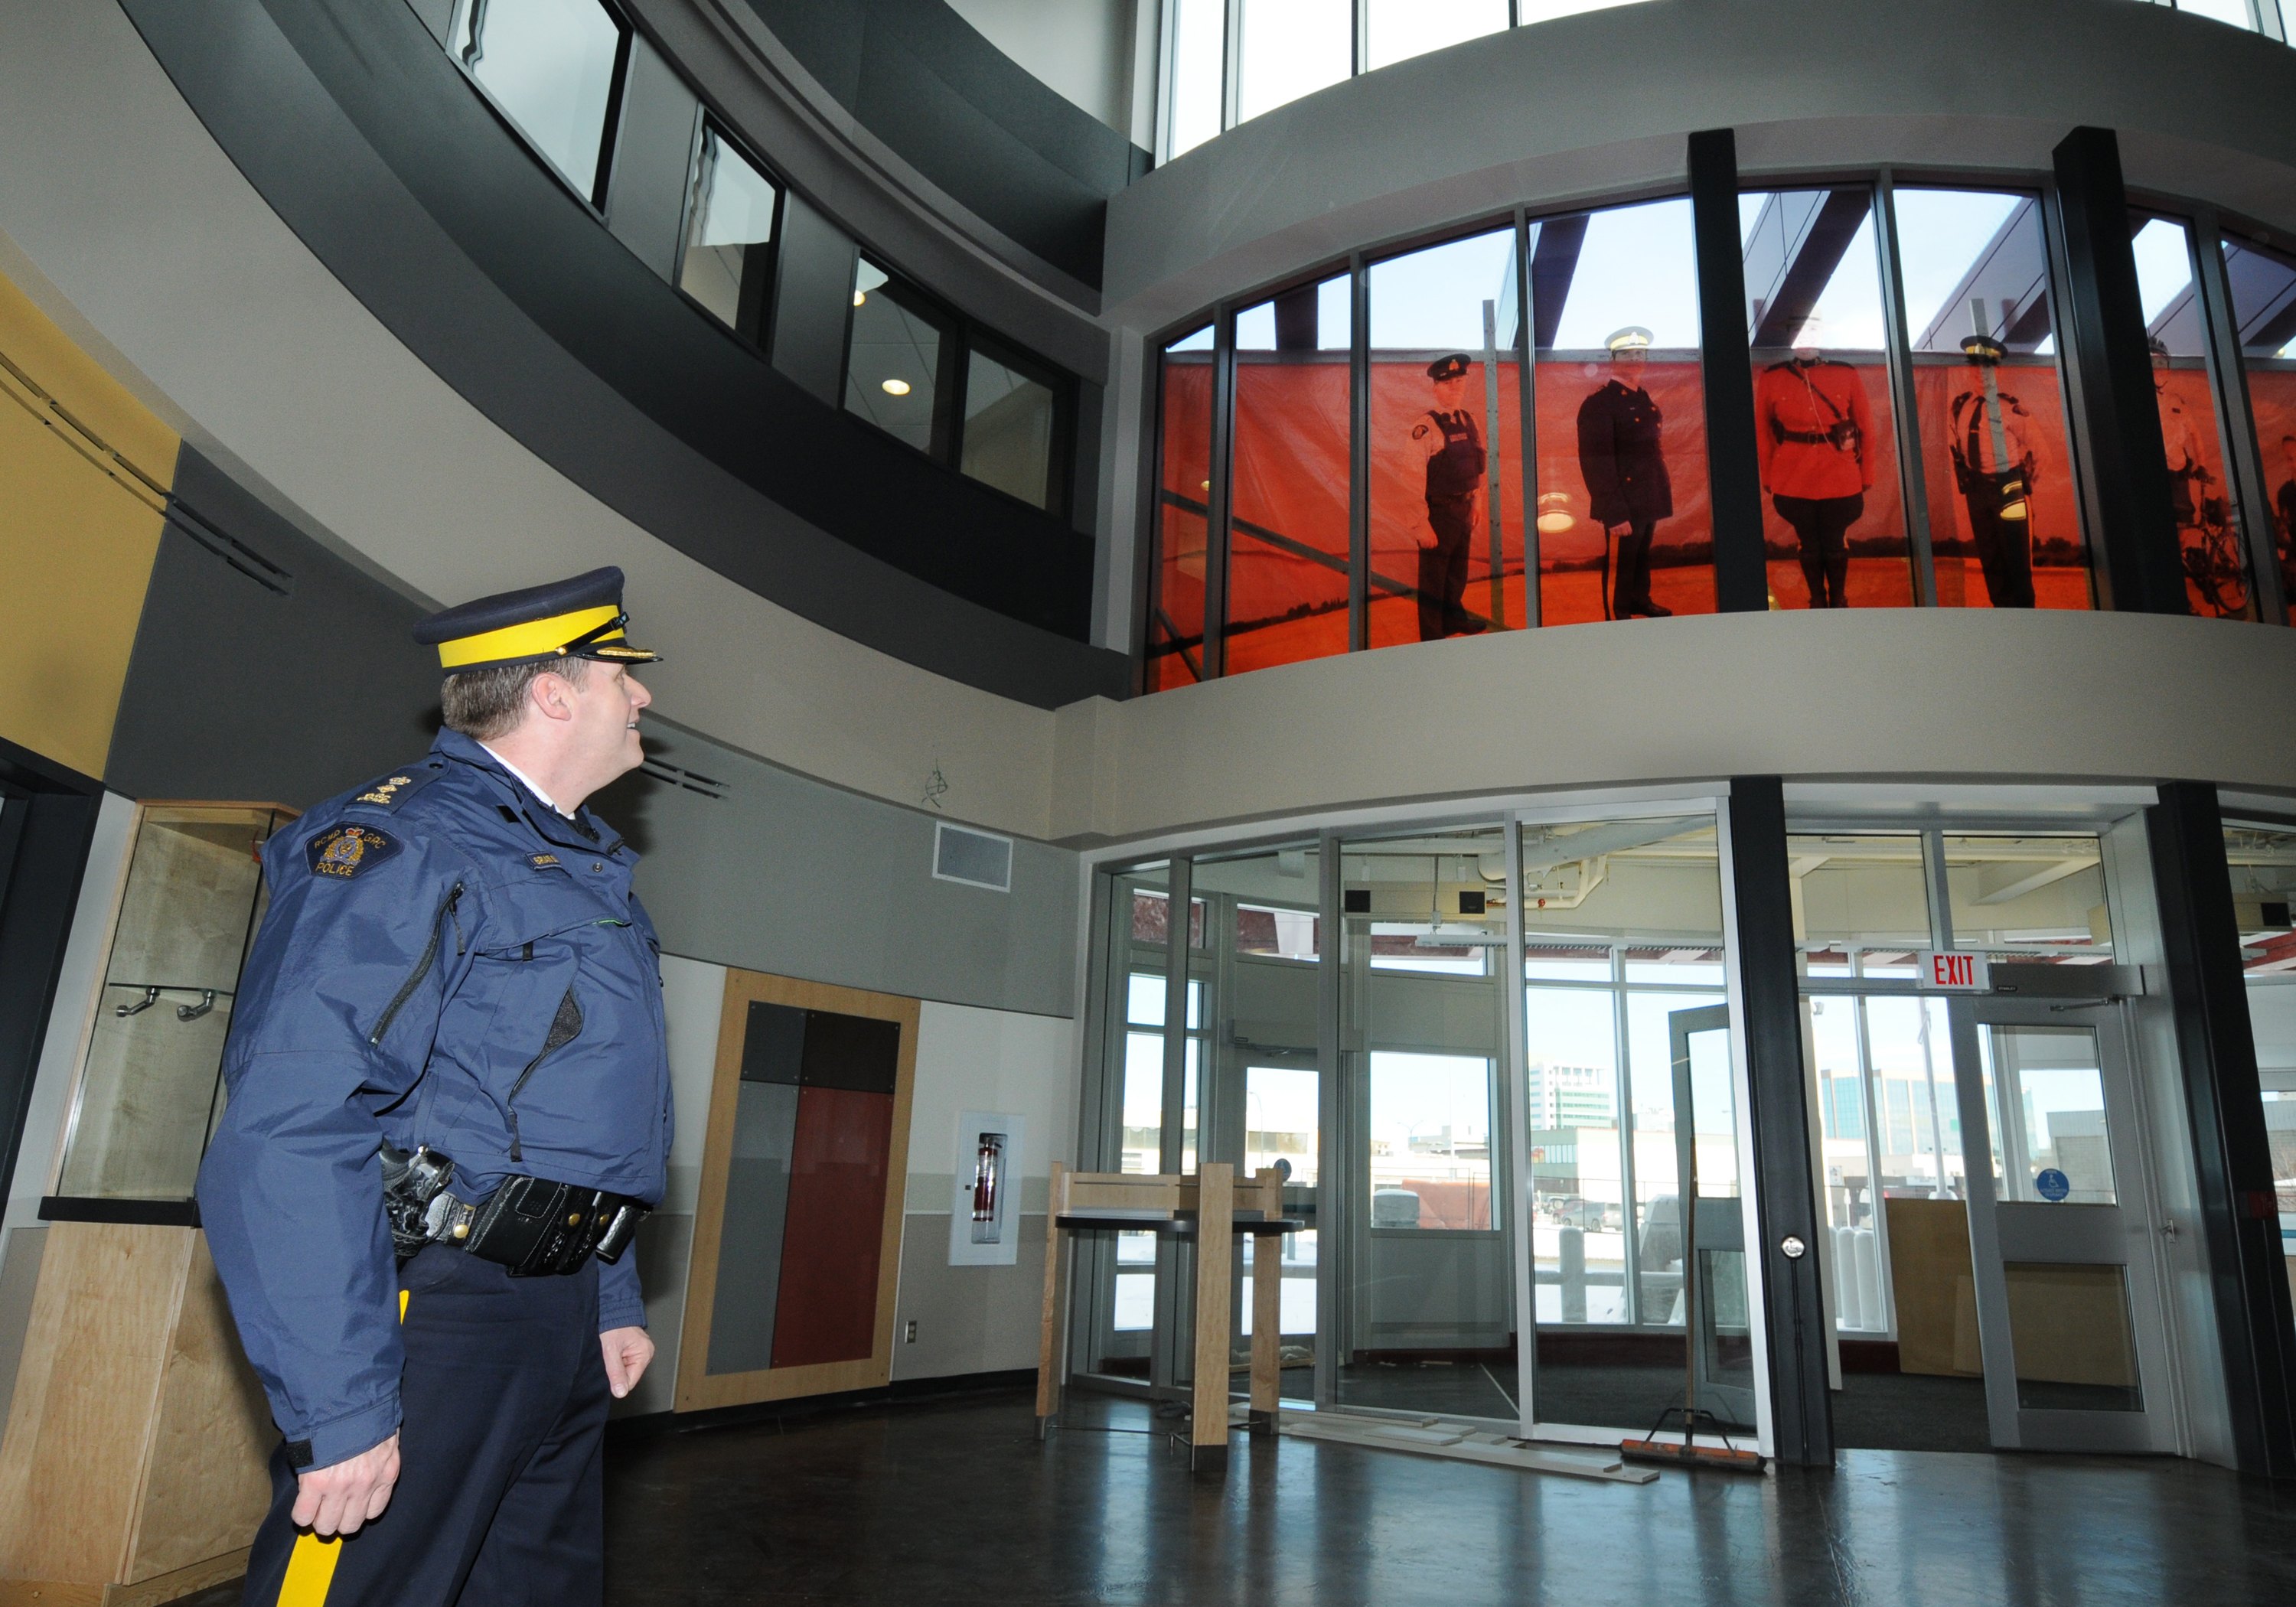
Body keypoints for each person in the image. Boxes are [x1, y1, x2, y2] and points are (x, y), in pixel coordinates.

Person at [199, 566, 675, 1607]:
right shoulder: (406, 844)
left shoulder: (579, 867)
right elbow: (290, 1124)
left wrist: (606, 1293)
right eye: (619, 677)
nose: (641, 697)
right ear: (553, 693)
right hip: (433, 1317)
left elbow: (569, 1113)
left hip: (552, 1318)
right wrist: (345, 1401)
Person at [1754, 311, 1874, 608]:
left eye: (1811, 334)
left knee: (1835, 541)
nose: (1805, 342)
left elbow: (1866, 429)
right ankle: (1816, 599)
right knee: (1808, 541)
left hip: (1839, 472)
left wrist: (1866, 474)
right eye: (1799, 335)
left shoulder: (1846, 374)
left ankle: (1838, 597)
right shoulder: (1773, 378)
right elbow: (1762, 433)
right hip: (1792, 474)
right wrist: (1768, 477)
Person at [1575, 325, 1674, 619]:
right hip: (1623, 500)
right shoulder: (1600, 403)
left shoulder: (1641, 397)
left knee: (1640, 556)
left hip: (1647, 494)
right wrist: (1614, 511)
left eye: (1640, 353)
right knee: (1622, 561)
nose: (1635, 358)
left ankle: (1639, 600)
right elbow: (1596, 462)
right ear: (1613, 359)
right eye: (1627, 353)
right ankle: (1618, 614)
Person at [1947, 331, 2039, 608]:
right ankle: (2001, 614)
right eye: (1975, 366)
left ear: (1996, 370)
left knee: (2017, 560)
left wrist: (2026, 488)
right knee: (1990, 558)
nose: (1980, 373)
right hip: (1977, 490)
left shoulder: (2011, 408)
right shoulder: (1961, 406)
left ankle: (2025, 619)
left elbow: (2038, 451)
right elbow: (1956, 446)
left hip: (2008, 487)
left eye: (1986, 366)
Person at [2153, 337, 2243, 616]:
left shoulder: (2178, 401)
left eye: (2161, 363)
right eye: (2151, 363)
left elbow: (2195, 435)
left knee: (2177, 539)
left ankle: (2184, 601)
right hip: (2153, 477)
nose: (2157, 369)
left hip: (2178, 477)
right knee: (2160, 541)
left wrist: (2201, 464)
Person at [1412, 352, 1488, 641]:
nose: (1455, 387)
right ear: (1436, 388)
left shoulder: (1470, 421)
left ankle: (1453, 619)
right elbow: (1411, 479)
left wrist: (1477, 502)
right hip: (1439, 514)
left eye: (1459, 381)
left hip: (1465, 509)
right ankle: (1432, 636)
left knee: (1457, 572)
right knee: (1434, 578)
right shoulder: (1425, 427)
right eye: (1448, 383)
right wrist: (1421, 524)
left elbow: (1477, 465)